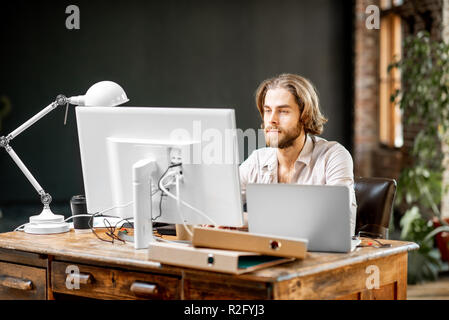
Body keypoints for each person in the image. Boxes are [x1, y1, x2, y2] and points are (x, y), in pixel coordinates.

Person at [240, 73, 357, 235]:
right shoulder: (257, 160)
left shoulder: (333, 156)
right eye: (267, 110)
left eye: (283, 111)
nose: (271, 120)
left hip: (322, 258)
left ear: (305, 116)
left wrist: (249, 221)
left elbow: (337, 223)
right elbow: (220, 211)